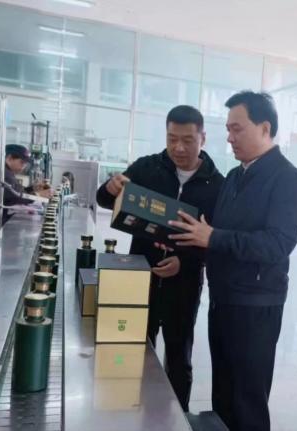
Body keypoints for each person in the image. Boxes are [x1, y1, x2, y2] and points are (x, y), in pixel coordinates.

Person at [168, 91, 297, 431]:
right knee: (223, 395)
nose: (230, 138)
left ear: (265, 128)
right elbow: (215, 234)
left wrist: (213, 237)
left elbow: (277, 244)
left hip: (255, 307)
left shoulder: (287, 180)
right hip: (224, 301)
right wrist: (190, 252)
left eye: (237, 129)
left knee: (247, 400)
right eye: (228, 130)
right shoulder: (234, 177)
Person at [95, 105, 224, 412]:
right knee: (137, 347)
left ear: (203, 138)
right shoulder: (147, 168)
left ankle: (176, 416)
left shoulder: (217, 186)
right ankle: (133, 409)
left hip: (185, 283)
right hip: (141, 275)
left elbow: (215, 241)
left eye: (188, 140)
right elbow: (104, 200)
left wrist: (185, 262)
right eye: (172, 138)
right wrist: (110, 188)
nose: (178, 147)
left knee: (179, 356)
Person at [0, 144, 52, 237]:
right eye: (22, 162)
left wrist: (33, 188)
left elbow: (16, 191)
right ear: (9, 158)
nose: (24, 166)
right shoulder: (3, 175)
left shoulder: (6, 172)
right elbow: (17, 197)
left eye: (25, 164)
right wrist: (38, 195)